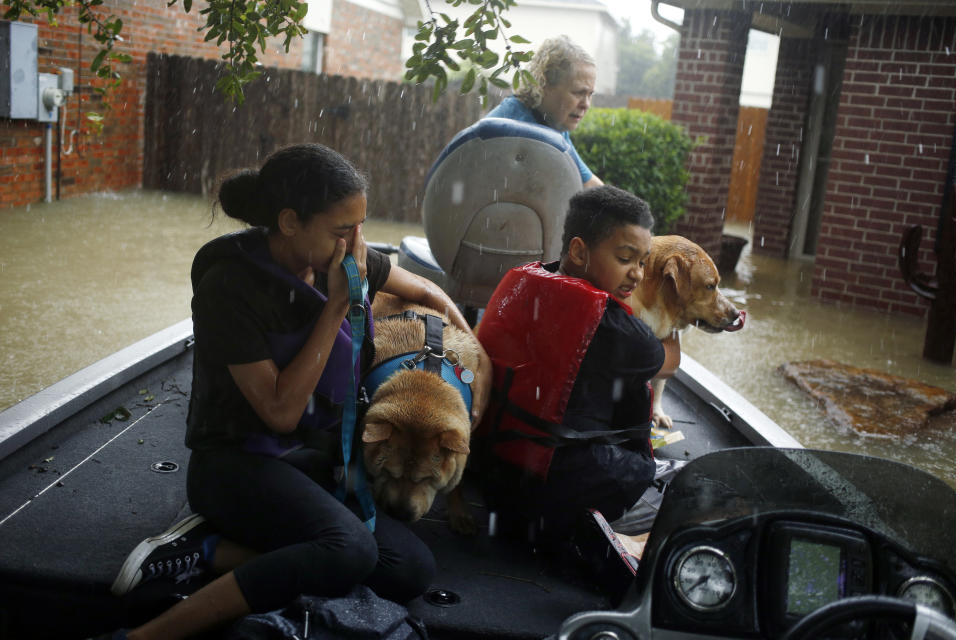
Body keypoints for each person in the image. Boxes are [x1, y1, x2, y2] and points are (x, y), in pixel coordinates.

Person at [106, 143, 491, 640]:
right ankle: (152, 626)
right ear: (290, 222)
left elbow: (429, 293)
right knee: (350, 551)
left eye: (361, 228)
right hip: (236, 464)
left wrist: (477, 359)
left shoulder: (346, 257)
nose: (357, 243)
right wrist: (336, 307)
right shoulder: (231, 285)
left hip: (312, 458)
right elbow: (280, 413)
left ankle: (219, 552)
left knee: (409, 568)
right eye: (341, 230)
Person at [475, 185, 680, 554]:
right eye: (625, 258)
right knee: (691, 493)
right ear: (579, 251)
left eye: (643, 262)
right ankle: (617, 540)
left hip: (494, 486)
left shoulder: (528, 278)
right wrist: (675, 311)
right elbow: (666, 361)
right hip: (551, 501)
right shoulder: (616, 330)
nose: (636, 274)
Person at [485, 35, 603, 188]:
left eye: (590, 94)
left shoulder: (551, 121)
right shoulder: (522, 129)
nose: (586, 104)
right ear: (544, 84)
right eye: (578, 93)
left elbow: (589, 184)